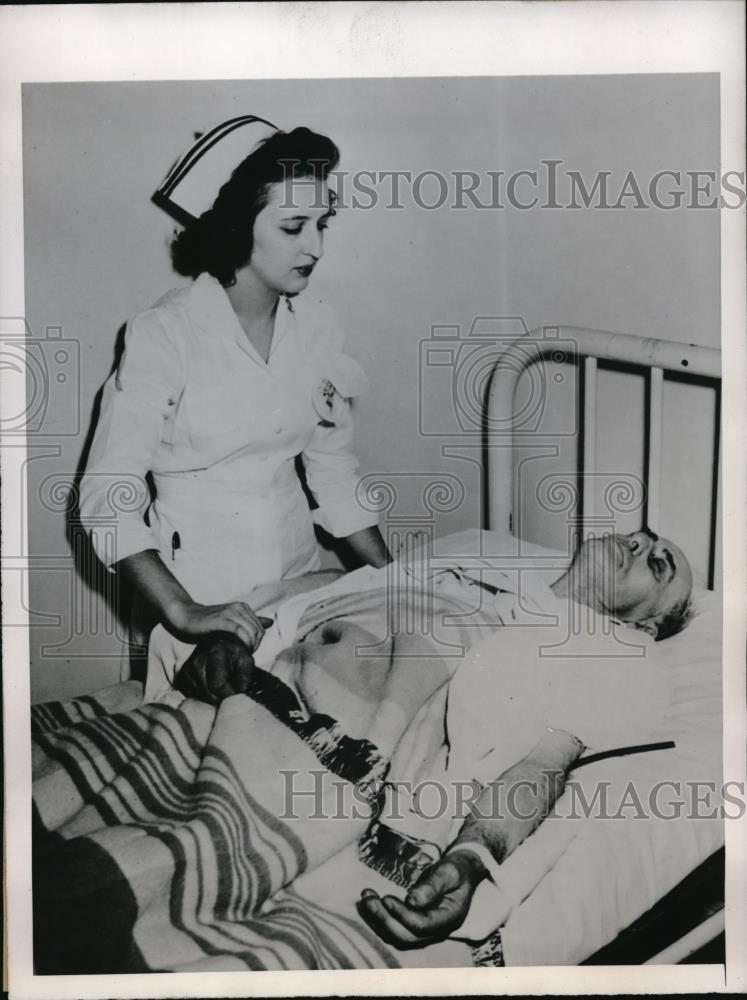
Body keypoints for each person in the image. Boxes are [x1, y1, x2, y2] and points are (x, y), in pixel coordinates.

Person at [172, 527, 693, 948]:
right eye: (641, 537)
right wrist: (231, 640)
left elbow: (542, 768)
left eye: (657, 563)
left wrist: (471, 858)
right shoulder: (475, 567)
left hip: (331, 762)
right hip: (255, 696)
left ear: (646, 628)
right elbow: (319, 605)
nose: (638, 545)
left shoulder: (610, 654)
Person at [78, 116, 390, 675]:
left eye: (324, 223)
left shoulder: (318, 330)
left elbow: (334, 476)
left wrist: (399, 585)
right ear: (235, 227)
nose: (316, 247)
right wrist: (185, 611)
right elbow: (107, 492)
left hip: (297, 594)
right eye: (294, 227)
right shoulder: (164, 335)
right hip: (200, 611)